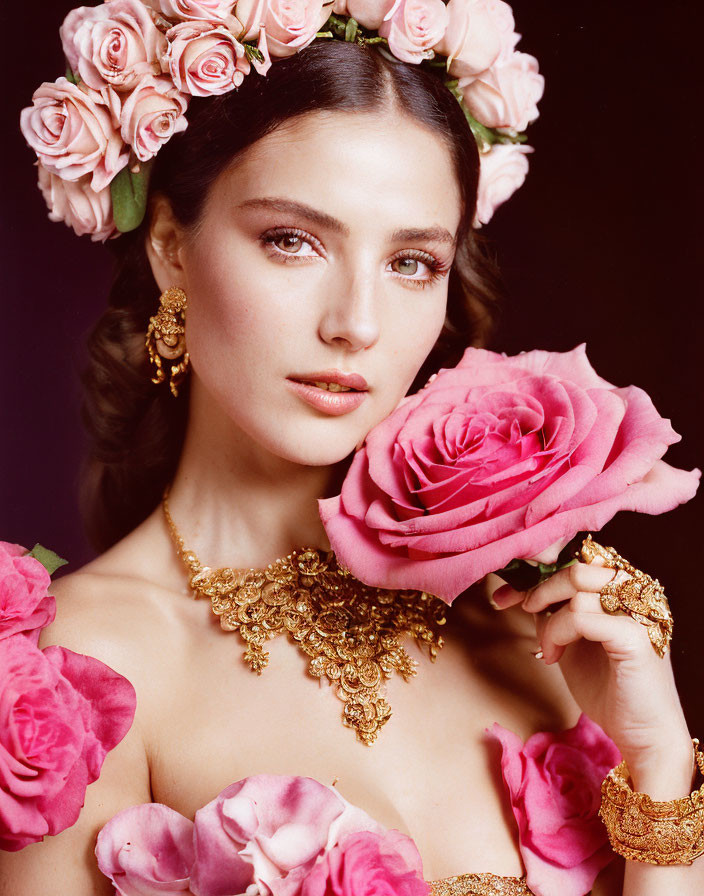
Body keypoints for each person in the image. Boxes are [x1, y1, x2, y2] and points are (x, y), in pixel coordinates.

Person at [4, 10, 703, 896]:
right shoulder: (72, 677)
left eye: (411, 262)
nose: (357, 326)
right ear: (172, 247)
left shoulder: (533, 631)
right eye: (292, 241)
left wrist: (656, 770)